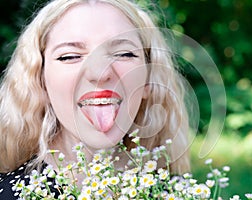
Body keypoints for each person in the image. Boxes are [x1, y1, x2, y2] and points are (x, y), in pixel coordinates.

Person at [0, 0, 191, 198]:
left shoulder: (177, 193)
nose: (100, 73)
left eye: (124, 53)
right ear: (40, 80)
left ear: (148, 78)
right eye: (70, 56)